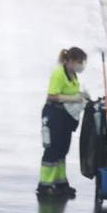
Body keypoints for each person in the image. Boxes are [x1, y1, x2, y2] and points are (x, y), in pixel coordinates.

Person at [37, 47, 89, 198]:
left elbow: (70, 92)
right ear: (71, 61)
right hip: (55, 115)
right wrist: (73, 99)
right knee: (53, 149)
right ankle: (44, 184)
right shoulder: (59, 73)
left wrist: (80, 96)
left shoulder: (73, 75)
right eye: (79, 62)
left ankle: (60, 182)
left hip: (66, 117)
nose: (81, 65)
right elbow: (53, 95)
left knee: (62, 150)